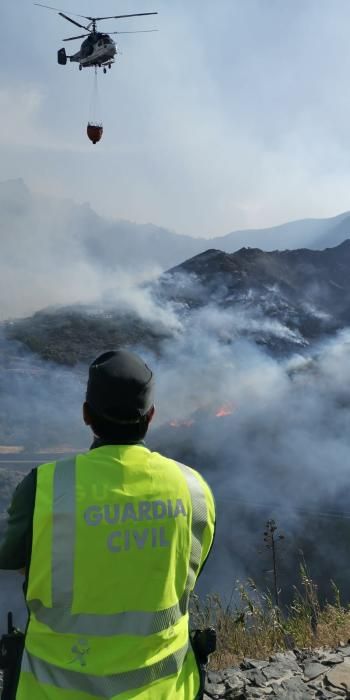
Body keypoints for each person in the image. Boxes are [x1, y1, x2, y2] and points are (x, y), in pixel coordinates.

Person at [0, 349, 216, 699]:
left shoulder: (44, 486)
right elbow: (192, 567)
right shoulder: (193, 488)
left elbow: (7, 555)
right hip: (166, 690)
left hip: (54, 690)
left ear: (87, 415)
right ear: (151, 415)